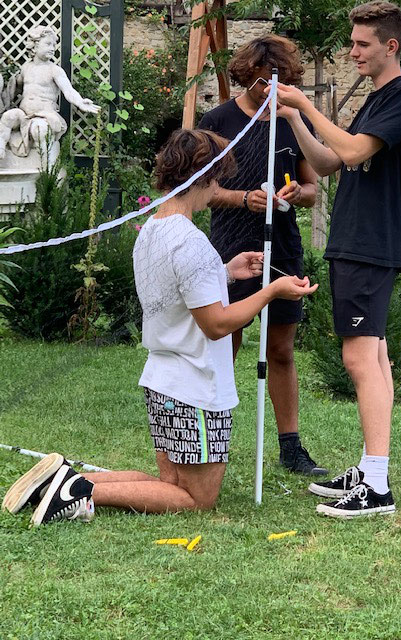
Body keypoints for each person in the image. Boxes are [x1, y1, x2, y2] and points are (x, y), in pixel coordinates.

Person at [2, 129, 318, 526]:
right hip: (195, 387)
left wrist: (225, 272)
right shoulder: (192, 243)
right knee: (197, 497)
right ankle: (80, 491)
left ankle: (65, 480)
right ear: (202, 177)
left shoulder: (151, 230)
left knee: (169, 481)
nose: (218, 188)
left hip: (163, 379)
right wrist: (272, 290)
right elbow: (217, 325)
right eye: (217, 177)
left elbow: (178, 290)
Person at [268, 1, 401, 517]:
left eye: (362, 44)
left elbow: (357, 152)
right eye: (352, 42)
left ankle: (377, 486)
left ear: (391, 45)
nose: (352, 51)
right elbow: (331, 162)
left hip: (372, 242)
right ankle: (370, 468)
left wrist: (308, 105)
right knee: (374, 355)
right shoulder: (379, 98)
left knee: (359, 357)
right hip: (360, 241)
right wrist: (295, 116)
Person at [198, 35, 327, 476]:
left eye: (279, 84)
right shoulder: (218, 120)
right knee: (225, 343)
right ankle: (213, 438)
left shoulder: (291, 120)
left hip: (284, 246)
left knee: (282, 349)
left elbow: (312, 188)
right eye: (261, 85)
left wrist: (296, 193)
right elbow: (201, 190)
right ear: (245, 77)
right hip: (232, 245)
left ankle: (291, 447)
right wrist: (243, 198)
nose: (270, 92)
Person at [0, 26, 100, 164]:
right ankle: (1, 150)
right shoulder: (26, 68)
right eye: (48, 44)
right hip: (24, 114)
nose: (52, 48)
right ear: (34, 46)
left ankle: (46, 167)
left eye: (54, 44)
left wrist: (80, 102)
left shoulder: (55, 70)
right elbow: (15, 89)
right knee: (7, 117)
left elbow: (68, 91)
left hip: (45, 115)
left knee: (39, 129)